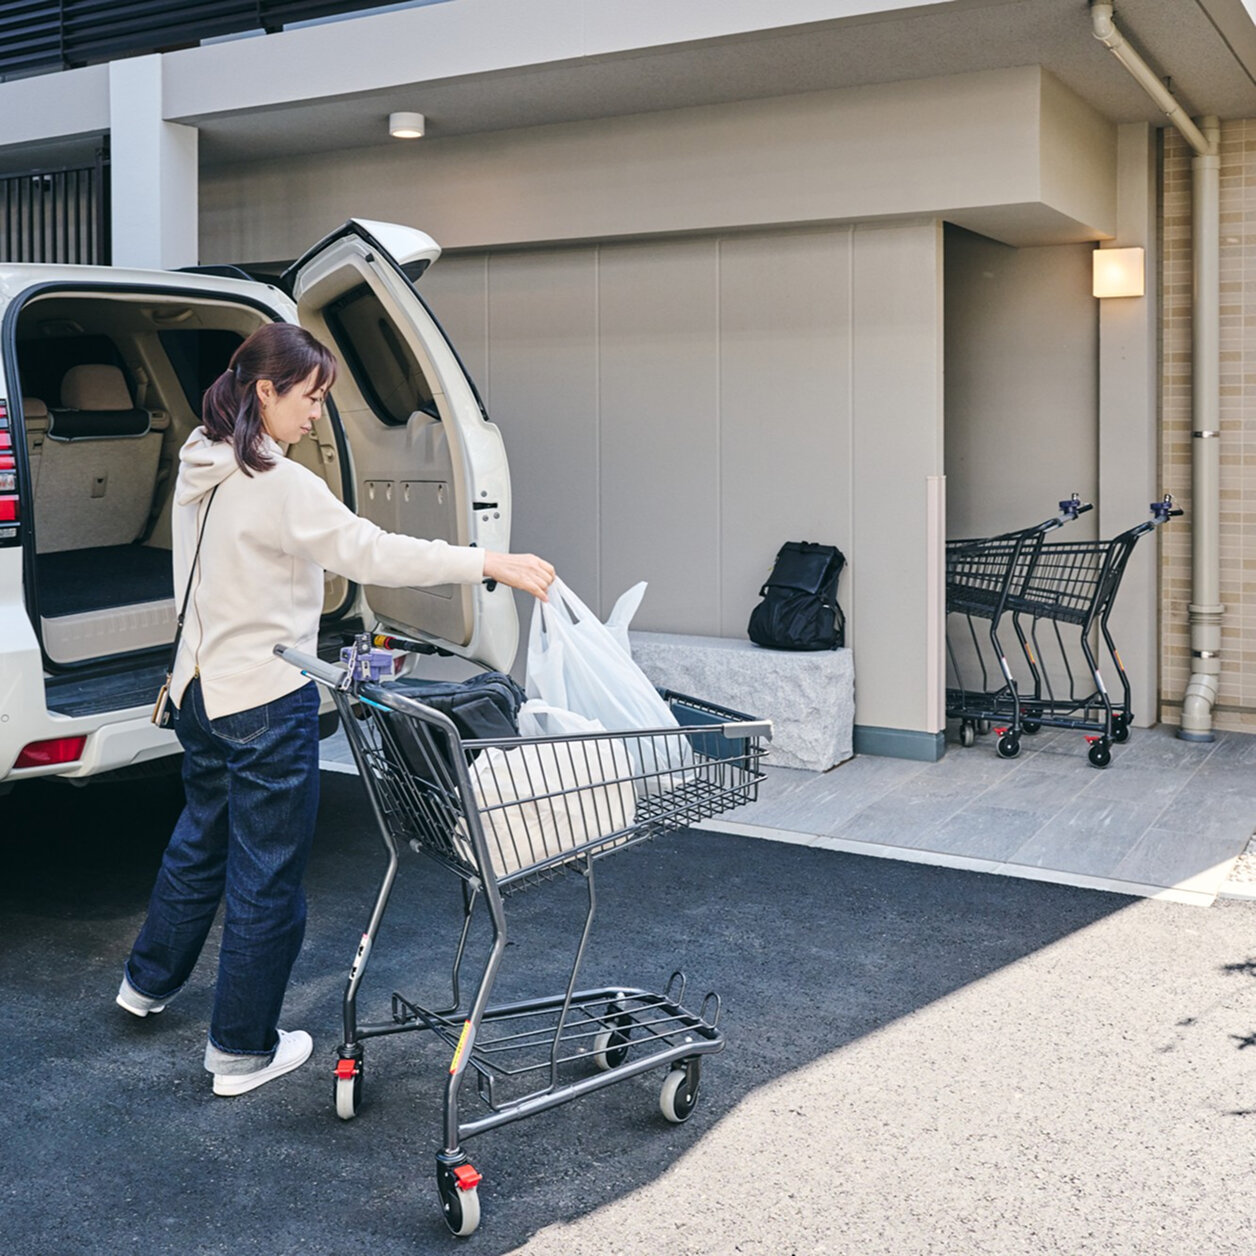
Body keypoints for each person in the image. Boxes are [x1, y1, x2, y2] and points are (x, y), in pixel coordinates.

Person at [116, 322, 554, 1096]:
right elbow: (372, 551)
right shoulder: (279, 485)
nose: (317, 415)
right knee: (267, 881)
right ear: (265, 391)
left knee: (199, 844)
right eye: (311, 398)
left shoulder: (200, 457)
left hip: (197, 692)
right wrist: (485, 561)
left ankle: (145, 985)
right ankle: (242, 1052)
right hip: (262, 701)